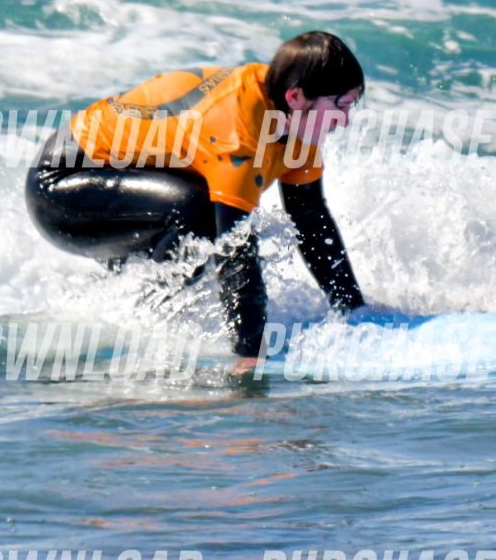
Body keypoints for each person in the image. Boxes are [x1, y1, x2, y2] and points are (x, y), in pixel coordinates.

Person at [28, 31, 368, 370]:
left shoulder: (296, 121)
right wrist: (251, 355)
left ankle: (127, 302)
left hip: (126, 177)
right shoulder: (238, 133)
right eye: (339, 106)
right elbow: (234, 248)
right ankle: (145, 325)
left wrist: (353, 308)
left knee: (200, 213)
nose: (345, 120)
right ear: (296, 97)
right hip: (61, 183)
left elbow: (310, 219)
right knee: (200, 214)